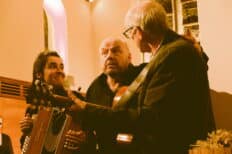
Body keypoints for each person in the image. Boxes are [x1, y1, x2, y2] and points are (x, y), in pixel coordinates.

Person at [67, 1, 215, 154]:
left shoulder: (172, 55)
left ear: (138, 31)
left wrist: (86, 108)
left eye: (130, 32)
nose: (131, 37)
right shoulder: (173, 51)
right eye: (105, 52)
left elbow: (150, 118)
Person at [65, 37, 146, 154]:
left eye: (116, 51)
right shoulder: (94, 87)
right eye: (104, 52)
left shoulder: (142, 76)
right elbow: (90, 130)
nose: (109, 56)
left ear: (129, 57)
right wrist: (82, 138)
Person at [19, 51, 93, 153]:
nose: (60, 71)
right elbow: (26, 148)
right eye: (52, 66)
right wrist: (27, 132)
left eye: (61, 67)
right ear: (39, 74)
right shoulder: (36, 104)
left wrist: (84, 139)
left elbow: (93, 137)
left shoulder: (76, 100)